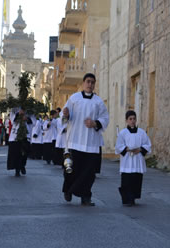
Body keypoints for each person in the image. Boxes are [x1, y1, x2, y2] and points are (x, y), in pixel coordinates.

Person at [61, 73, 109, 206]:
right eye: (88, 81)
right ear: (83, 83)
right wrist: (66, 114)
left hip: (91, 143)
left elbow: (105, 119)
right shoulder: (74, 99)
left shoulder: (98, 102)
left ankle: (86, 196)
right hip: (75, 141)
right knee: (70, 169)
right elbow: (64, 117)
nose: (90, 84)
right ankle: (68, 190)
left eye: (92, 82)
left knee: (89, 173)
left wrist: (95, 123)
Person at [115, 110, 151, 206]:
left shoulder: (141, 132)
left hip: (137, 159)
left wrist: (139, 149)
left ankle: (133, 198)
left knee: (136, 180)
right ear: (126, 120)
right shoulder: (123, 133)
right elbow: (118, 146)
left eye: (134, 119)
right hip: (127, 160)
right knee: (127, 180)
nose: (132, 121)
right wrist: (126, 149)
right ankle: (127, 198)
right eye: (130, 119)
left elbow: (147, 144)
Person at [7, 107, 36, 176]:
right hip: (15, 136)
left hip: (26, 135)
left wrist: (27, 118)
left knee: (24, 153)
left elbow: (34, 122)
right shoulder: (14, 109)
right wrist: (18, 114)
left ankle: (22, 165)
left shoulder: (30, 111)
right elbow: (12, 119)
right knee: (16, 154)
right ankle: (17, 169)